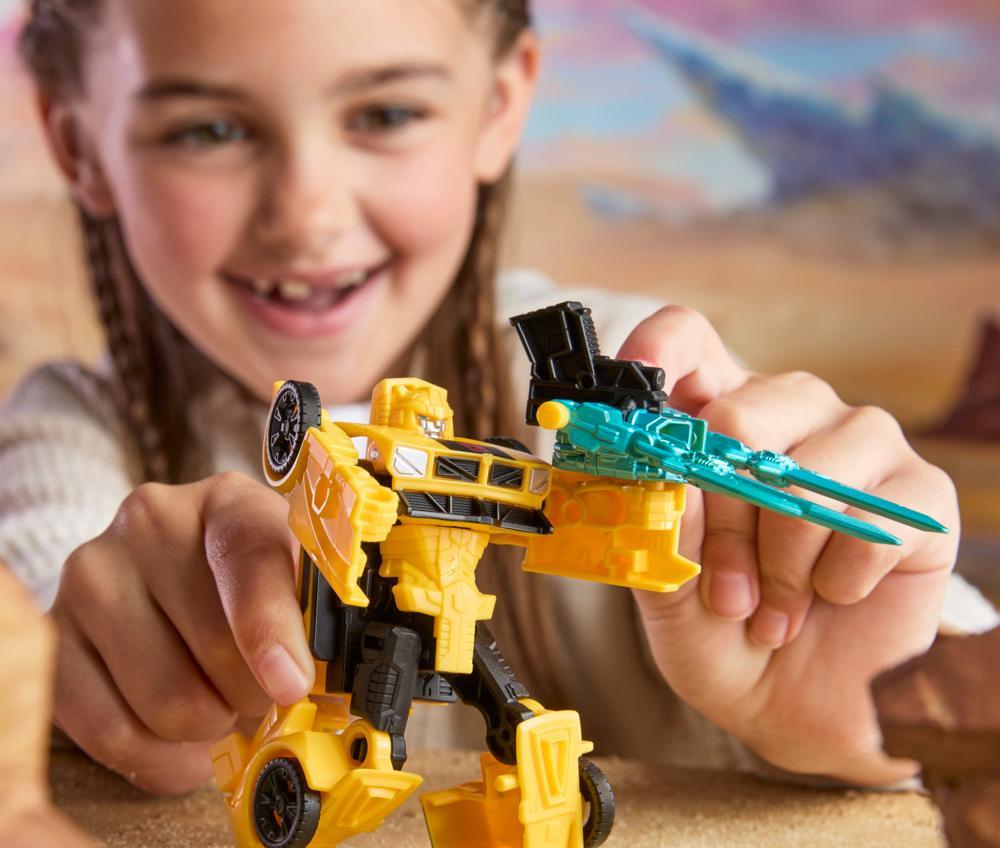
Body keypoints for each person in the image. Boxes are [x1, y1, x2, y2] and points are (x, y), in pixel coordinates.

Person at [1, 0, 985, 798]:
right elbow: (44, 590)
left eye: (385, 115)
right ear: (78, 146)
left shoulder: (622, 386)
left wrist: (883, 703)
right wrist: (85, 670)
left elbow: (951, 673)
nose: (306, 214)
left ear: (499, 106)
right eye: (209, 130)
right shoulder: (71, 434)